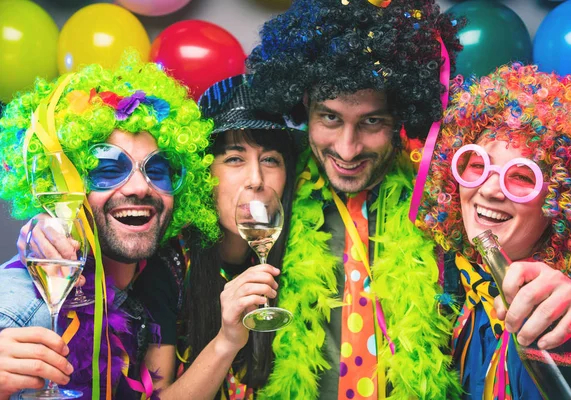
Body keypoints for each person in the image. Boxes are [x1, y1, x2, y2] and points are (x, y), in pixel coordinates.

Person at [246, 0, 464, 398]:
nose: (347, 150)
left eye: (371, 121)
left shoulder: (443, 202)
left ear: (401, 118)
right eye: (330, 117)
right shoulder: (271, 190)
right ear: (303, 109)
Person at [0, 55, 217, 399]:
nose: (139, 187)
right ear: (64, 188)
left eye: (157, 170)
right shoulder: (26, 312)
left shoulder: (156, 276)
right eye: (106, 168)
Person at [416, 63, 571, 399]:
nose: (490, 189)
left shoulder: (570, 313)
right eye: (477, 165)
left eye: (522, 177)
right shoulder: (441, 275)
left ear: (561, 203)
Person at [132, 74, 301, 399]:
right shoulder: (166, 268)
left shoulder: (302, 253)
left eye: (270, 160)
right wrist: (227, 339)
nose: (256, 180)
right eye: (235, 159)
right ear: (204, 174)